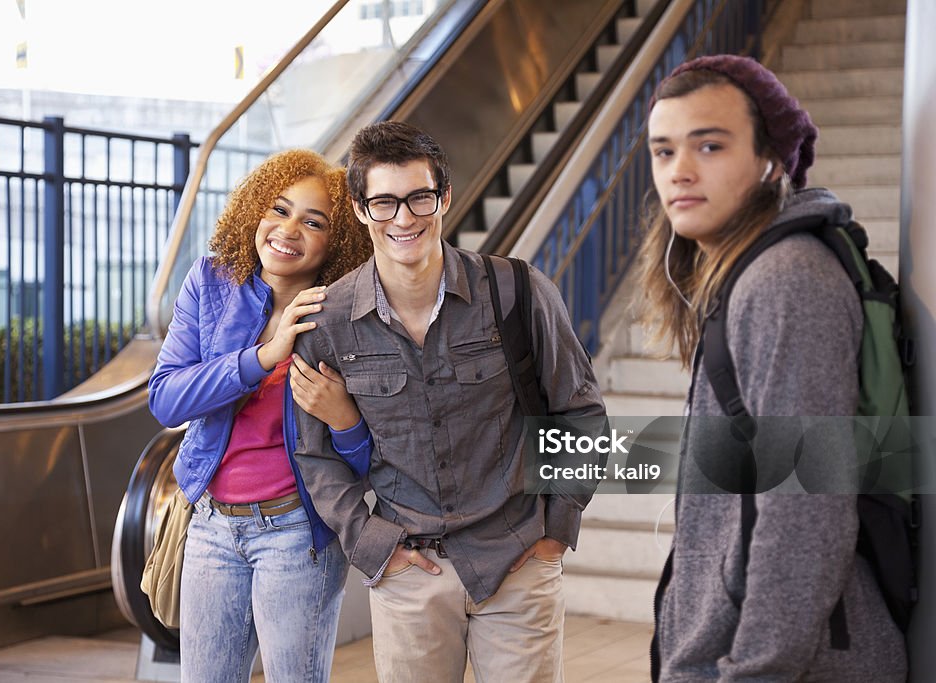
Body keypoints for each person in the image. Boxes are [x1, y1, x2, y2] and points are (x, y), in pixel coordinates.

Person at [290, 121, 606, 683]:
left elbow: (580, 414)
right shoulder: (329, 323)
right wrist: (370, 544)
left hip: (517, 560)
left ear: (445, 197)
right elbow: (315, 459)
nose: (405, 218)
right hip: (408, 573)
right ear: (361, 210)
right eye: (384, 203)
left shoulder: (517, 291)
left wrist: (558, 525)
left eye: (419, 198)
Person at [640, 55, 908, 681]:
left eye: (709, 145)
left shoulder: (787, 281)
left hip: (790, 664)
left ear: (771, 159)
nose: (679, 171)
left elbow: (806, 511)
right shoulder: (747, 277)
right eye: (662, 151)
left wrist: (756, 668)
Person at [147, 149, 374, 683]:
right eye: (279, 209)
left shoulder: (347, 315)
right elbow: (165, 398)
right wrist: (261, 358)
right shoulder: (210, 282)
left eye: (313, 221)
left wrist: (345, 419)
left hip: (299, 533)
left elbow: (370, 460)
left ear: (336, 242)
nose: (288, 229)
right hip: (211, 526)